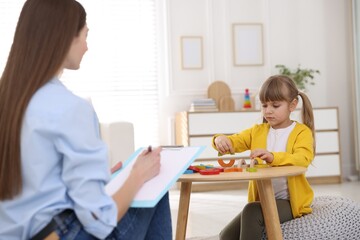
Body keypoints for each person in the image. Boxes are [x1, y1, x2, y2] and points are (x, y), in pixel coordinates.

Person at [0, 0, 172, 239]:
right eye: (85, 35)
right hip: (61, 233)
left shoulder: (9, 100)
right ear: (64, 37)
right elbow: (98, 220)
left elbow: (38, 183)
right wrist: (137, 176)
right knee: (155, 183)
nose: (87, 47)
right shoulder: (70, 107)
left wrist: (98, 179)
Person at [213, 75, 315, 240]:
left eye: (275, 105)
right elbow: (234, 141)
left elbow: (303, 158)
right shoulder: (257, 131)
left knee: (251, 212)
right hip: (264, 200)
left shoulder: (301, 132)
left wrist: (272, 157)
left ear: (293, 105)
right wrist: (219, 139)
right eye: (264, 105)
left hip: (290, 202)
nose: (268, 110)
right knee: (226, 236)